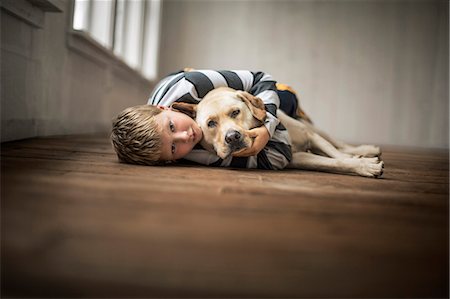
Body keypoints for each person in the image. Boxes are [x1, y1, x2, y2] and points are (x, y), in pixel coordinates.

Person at [111, 69, 301, 170]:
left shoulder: (192, 84)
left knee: (286, 100)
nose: (185, 136)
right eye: (173, 148)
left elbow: (263, 78)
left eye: (172, 126)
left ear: (163, 108)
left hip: (188, 78)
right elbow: (279, 156)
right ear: (168, 161)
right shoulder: (190, 156)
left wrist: (268, 128)